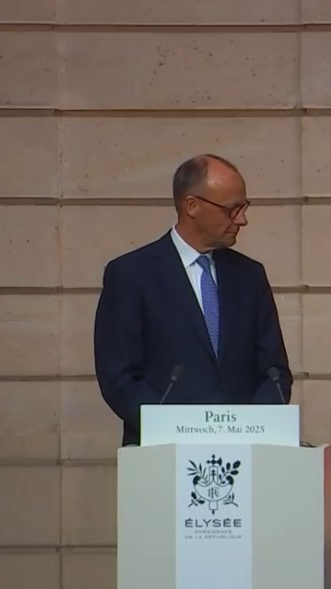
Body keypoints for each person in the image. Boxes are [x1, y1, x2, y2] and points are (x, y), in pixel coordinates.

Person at [93, 154, 293, 446]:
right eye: (232, 209)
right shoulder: (131, 274)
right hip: (163, 452)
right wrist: (178, 430)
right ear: (192, 206)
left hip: (244, 452)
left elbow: (274, 371)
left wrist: (253, 430)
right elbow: (118, 376)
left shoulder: (250, 276)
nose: (242, 219)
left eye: (244, 207)